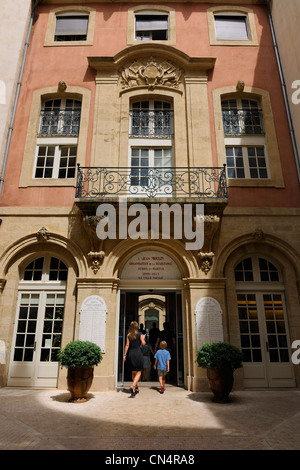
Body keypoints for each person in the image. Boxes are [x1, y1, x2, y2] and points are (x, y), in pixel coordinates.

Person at [123, 321, 146, 397]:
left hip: (131, 353)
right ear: (137, 327)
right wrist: (144, 339)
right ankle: (133, 386)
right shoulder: (140, 334)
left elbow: (127, 345)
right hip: (138, 353)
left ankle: (135, 389)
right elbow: (143, 343)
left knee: (133, 372)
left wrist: (124, 355)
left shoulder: (128, 335)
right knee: (139, 371)